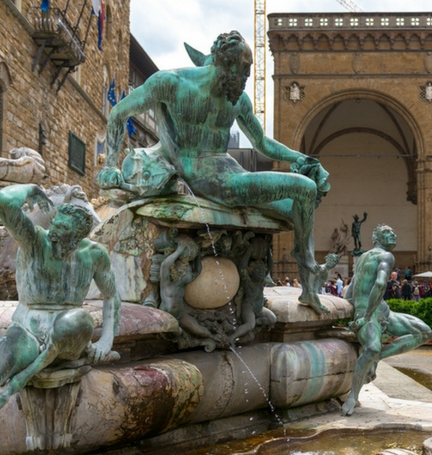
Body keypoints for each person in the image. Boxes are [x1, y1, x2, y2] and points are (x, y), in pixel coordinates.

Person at [97, 31, 330, 314]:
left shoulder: (237, 99)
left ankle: (306, 289)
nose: (246, 78)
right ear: (225, 64)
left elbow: (262, 143)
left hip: (232, 175)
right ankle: (309, 275)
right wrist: (109, 165)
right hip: (204, 176)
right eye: (244, 71)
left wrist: (303, 158)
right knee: (304, 189)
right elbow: (118, 113)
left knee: (300, 207)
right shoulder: (171, 83)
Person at [0, 184, 120, 443]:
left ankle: (30, 372)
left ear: (78, 238)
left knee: (75, 320)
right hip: (27, 330)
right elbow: (1, 201)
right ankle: (27, 371)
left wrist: (106, 339)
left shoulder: (94, 254)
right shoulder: (34, 240)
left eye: (62, 233)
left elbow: (111, 296)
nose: (54, 236)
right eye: (55, 228)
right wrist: (30, 189)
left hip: (69, 330)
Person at [342, 225, 432, 416]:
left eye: (394, 231)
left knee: (425, 332)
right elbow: (381, 283)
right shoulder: (386, 256)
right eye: (387, 232)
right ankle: (353, 396)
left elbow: (351, 290)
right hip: (368, 313)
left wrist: (349, 311)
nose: (393, 234)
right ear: (376, 238)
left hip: (381, 311)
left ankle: (379, 357)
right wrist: (364, 316)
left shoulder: (363, 258)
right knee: (372, 348)